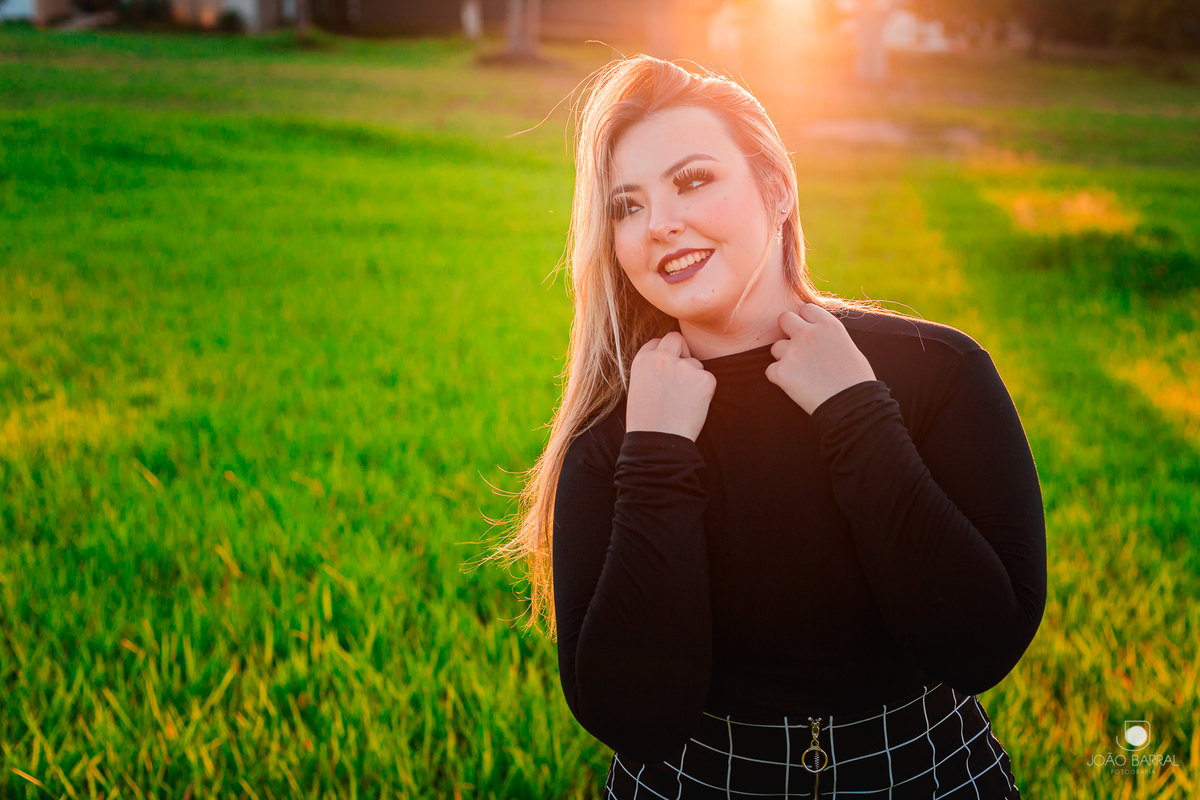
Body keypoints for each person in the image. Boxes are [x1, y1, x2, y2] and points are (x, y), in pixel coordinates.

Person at [489, 54, 1047, 798]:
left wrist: (854, 411)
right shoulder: (615, 433)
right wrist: (657, 455)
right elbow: (636, 718)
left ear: (777, 188)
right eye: (627, 206)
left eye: (692, 181)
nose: (660, 225)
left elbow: (981, 643)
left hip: (927, 775)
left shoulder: (937, 373)